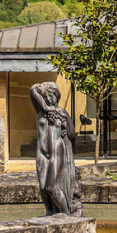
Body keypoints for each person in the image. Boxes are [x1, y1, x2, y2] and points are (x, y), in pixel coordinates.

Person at [30, 82, 80, 215]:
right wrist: (46, 108)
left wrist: (66, 117)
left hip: (57, 152)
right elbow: (32, 89)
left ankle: (65, 213)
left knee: (51, 186)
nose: (49, 99)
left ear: (57, 96)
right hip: (41, 152)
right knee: (42, 187)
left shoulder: (62, 113)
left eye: (52, 96)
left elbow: (72, 134)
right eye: (46, 96)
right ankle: (50, 213)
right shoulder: (40, 111)